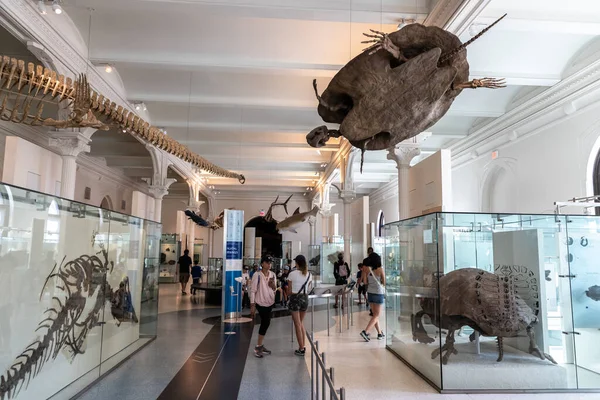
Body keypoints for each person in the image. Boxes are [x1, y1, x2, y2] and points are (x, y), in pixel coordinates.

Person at [250, 255, 277, 358]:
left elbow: (275, 289)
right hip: (260, 302)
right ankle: (258, 346)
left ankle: (260, 345)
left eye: (270, 262)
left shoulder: (273, 275)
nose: (269, 264)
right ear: (262, 264)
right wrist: (252, 304)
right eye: (267, 262)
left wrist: (273, 285)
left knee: (266, 323)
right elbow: (253, 290)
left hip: (270, 302)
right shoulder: (257, 275)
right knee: (265, 323)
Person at [287, 255, 313, 356]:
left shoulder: (292, 274)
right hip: (305, 299)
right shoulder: (309, 274)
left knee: (297, 324)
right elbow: (309, 288)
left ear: (297, 263)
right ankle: (303, 345)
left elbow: (289, 291)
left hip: (295, 299)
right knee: (301, 323)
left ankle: (301, 348)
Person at [360, 252, 386, 342]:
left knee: (375, 315)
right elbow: (384, 282)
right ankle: (365, 331)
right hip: (378, 293)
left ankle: (379, 333)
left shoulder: (367, 269)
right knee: (377, 315)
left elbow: (365, 282)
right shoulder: (380, 269)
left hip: (370, 293)